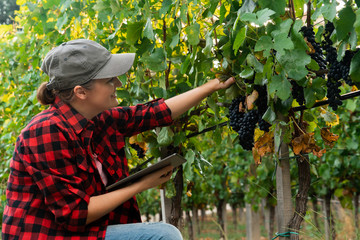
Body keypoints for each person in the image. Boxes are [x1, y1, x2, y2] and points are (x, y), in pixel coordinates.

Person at [2, 39, 234, 240]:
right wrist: (142, 184)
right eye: (109, 80)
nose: (119, 84)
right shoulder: (44, 132)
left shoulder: (99, 119)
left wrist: (213, 86)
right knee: (164, 235)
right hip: (50, 236)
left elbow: (156, 113)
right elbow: (75, 214)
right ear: (81, 92)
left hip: (85, 232)